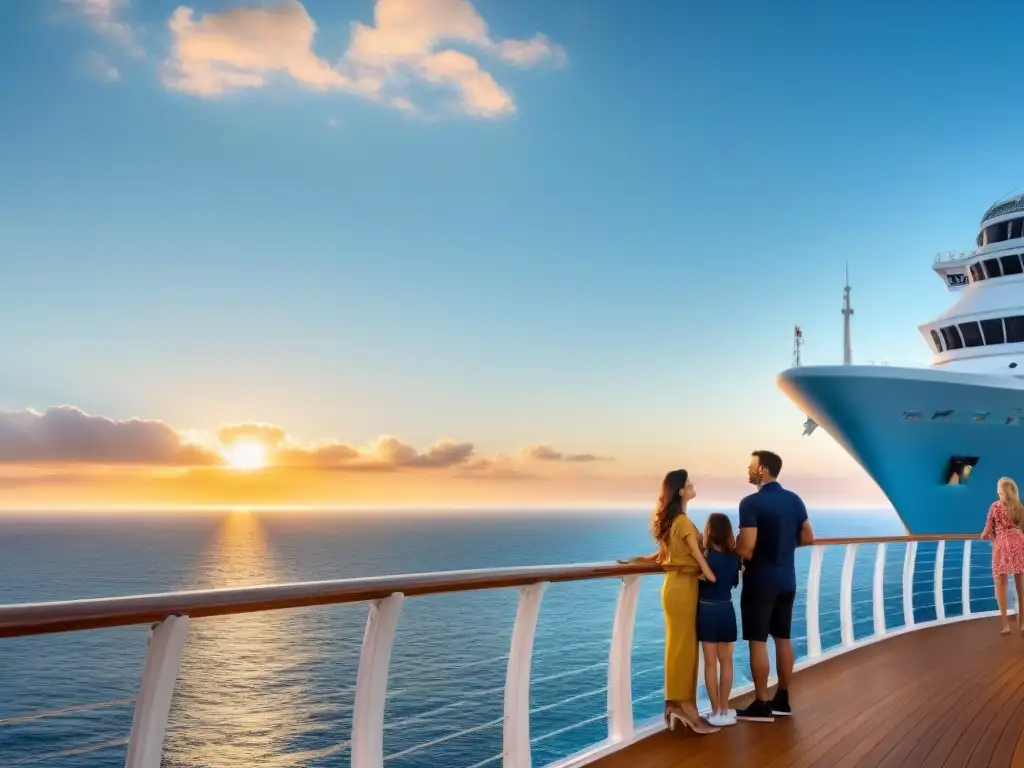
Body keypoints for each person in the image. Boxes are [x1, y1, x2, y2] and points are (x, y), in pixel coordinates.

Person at [624, 469, 720, 734]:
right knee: (684, 648)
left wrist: (636, 560)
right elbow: (698, 559)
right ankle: (684, 707)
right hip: (684, 589)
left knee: (679, 647)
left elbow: (663, 555)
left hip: (675, 588)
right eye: (689, 484)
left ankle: (676, 703)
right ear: (681, 491)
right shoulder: (684, 523)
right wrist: (711, 575)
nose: (693, 486)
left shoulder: (674, 522)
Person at [734, 450, 814, 722]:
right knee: (783, 638)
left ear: (762, 470)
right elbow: (808, 537)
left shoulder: (750, 504)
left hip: (760, 581)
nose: (747, 468)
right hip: (787, 579)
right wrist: (783, 547)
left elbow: (746, 548)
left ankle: (761, 702)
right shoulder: (794, 500)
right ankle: (782, 698)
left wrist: (731, 549)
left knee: (758, 640)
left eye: (751, 465)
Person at [697, 512, 742, 727]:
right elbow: (734, 583)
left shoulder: (704, 557)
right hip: (726, 610)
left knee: (710, 664)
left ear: (709, 531)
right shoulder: (734, 558)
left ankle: (714, 710)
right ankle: (724, 709)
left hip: (706, 612)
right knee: (727, 662)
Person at [980, 477, 1024, 635]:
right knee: (1021, 586)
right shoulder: (1019, 506)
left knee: (1000, 583)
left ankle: (1006, 625)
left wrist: (991, 535)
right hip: (1019, 544)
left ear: (1001, 491)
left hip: (1002, 546)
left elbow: (986, 533)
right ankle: (1022, 624)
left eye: (998, 487)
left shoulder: (995, 506)